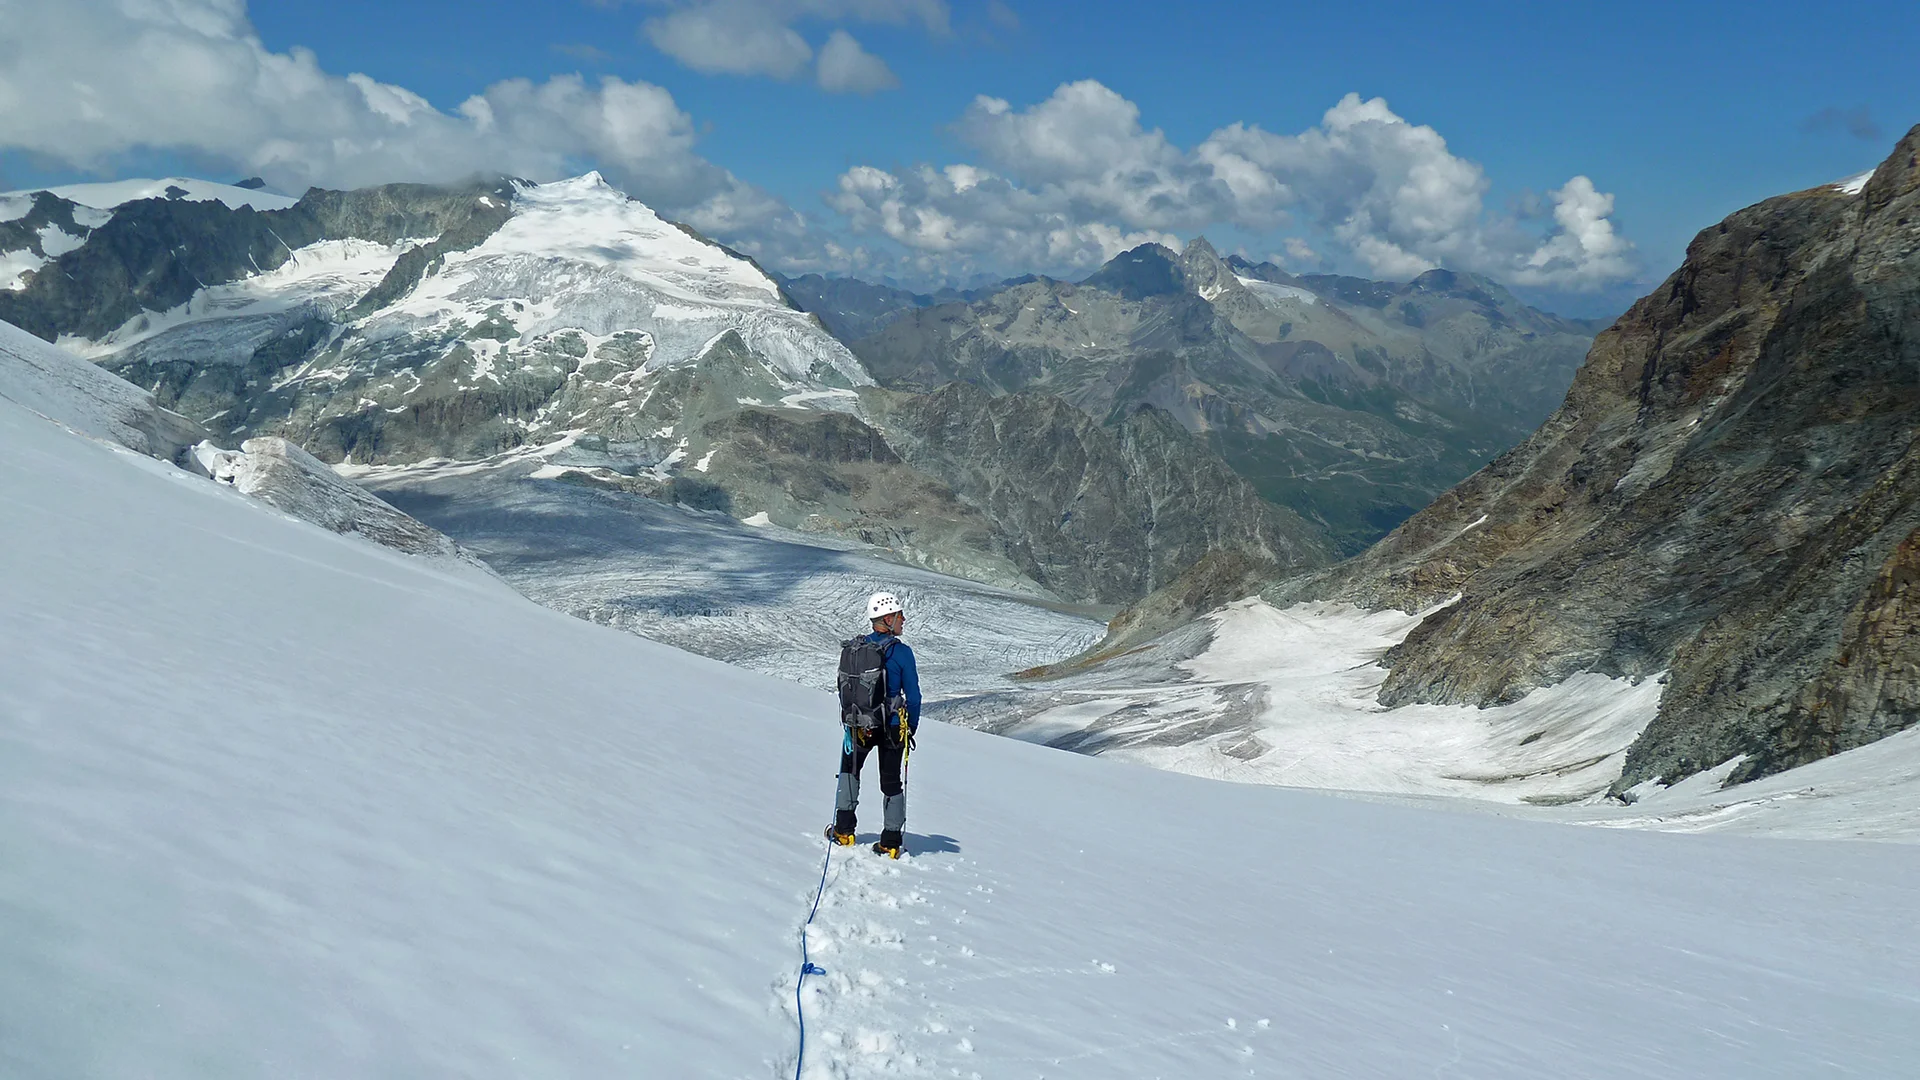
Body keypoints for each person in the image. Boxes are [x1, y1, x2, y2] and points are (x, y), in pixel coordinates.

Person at [827, 590, 921, 858]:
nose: (903, 620)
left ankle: (843, 831)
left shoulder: (857, 649)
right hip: (892, 726)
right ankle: (890, 842)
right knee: (891, 782)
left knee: (849, 771)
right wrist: (910, 727)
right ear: (888, 618)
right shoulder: (902, 653)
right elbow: (913, 697)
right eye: (900, 615)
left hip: (860, 723)